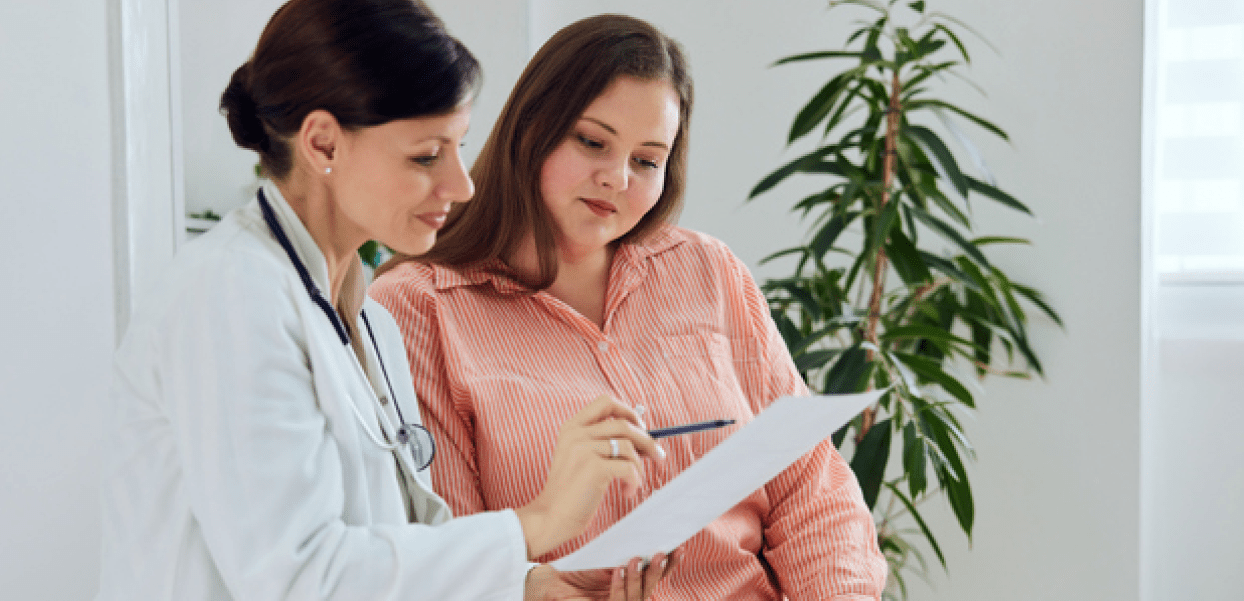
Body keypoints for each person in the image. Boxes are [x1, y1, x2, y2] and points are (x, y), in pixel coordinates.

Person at [95, 2, 678, 599]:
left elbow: (401, 542)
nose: (462, 184)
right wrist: (542, 521)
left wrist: (525, 584)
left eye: (459, 147)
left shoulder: (369, 321)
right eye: (427, 155)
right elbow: (299, 579)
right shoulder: (227, 297)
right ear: (323, 144)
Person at [370, 13, 888, 600]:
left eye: (646, 160)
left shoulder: (708, 272)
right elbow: (451, 559)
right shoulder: (418, 308)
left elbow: (812, 492)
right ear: (530, 127)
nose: (616, 178)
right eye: (592, 142)